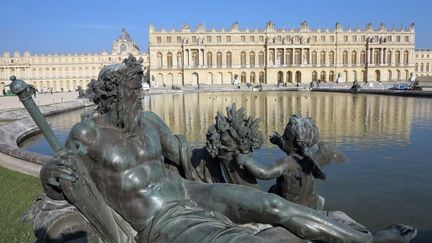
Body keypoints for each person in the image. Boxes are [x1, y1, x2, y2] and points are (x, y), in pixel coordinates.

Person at [41, 55, 416, 243]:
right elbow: (59, 177)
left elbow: (187, 154)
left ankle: (367, 239)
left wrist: (228, 150)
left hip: (190, 192)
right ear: (112, 94)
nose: (140, 94)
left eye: (140, 88)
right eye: (133, 90)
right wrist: (49, 175)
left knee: (274, 205)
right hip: (161, 219)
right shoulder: (87, 133)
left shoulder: (149, 121)